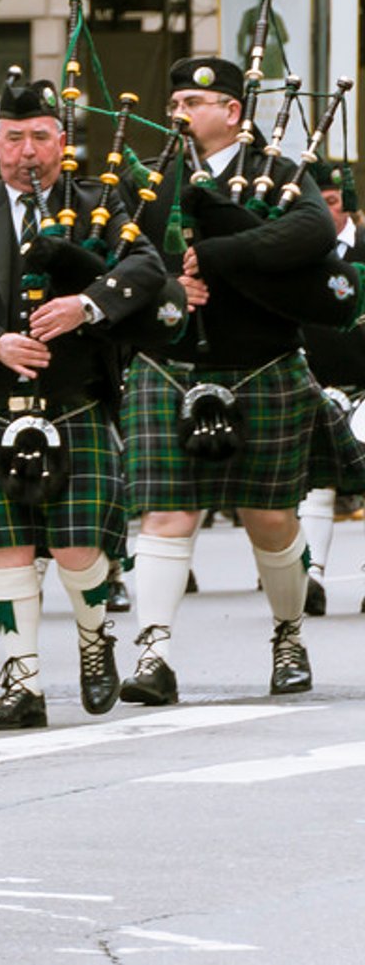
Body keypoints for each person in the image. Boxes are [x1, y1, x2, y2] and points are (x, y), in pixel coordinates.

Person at [0, 79, 164, 729]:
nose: (28, 151)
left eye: (40, 136)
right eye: (14, 137)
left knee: (80, 549)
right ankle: (22, 683)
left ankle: (93, 640)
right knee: (8, 551)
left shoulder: (101, 201)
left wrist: (85, 304)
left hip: (74, 397)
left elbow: (146, 269)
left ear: (62, 141)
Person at [119, 58, 346, 704]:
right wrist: (167, 284)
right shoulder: (153, 176)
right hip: (171, 361)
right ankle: (154, 653)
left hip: (263, 360)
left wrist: (224, 250)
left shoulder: (278, 173)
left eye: (195, 99)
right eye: (176, 100)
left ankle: (288, 634)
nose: (180, 111)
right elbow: (125, 253)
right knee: (166, 513)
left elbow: (312, 231)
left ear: (234, 112)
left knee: (269, 516)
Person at [295, 160, 365, 616]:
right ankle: (312, 577)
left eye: (333, 201)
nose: (324, 209)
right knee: (317, 483)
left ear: (349, 206)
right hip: (317, 382)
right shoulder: (297, 252)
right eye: (316, 201)